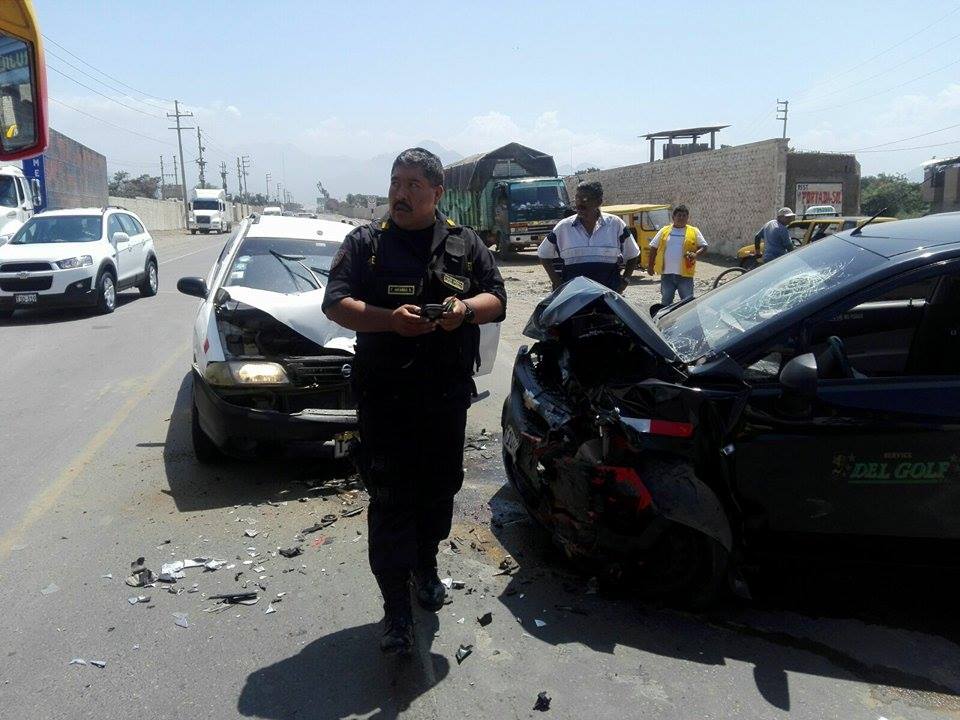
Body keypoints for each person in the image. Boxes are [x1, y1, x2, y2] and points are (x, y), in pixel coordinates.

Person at [322, 148, 507, 655]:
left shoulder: (464, 244)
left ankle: (426, 564)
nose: (400, 194)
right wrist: (389, 320)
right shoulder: (367, 244)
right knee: (389, 497)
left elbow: (498, 299)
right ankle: (395, 609)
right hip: (386, 401)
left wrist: (463, 310)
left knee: (439, 488)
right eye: (395, 182)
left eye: (412, 185)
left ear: (436, 192)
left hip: (444, 401)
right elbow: (335, 303)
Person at [537, 180, 640, 292]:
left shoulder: (615, 225)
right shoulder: (563, 227)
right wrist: (557, 282)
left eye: (585, 199)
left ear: (599, 202)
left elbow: (633, 254)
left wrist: (625, 281)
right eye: (577, 198)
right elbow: (543, 254)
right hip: (573, 298)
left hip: (607, 297)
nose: (579, 204)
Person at [646, 204, 708, 306]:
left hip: (685, 275)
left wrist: (695, 254)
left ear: (688, 218)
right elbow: (653, 248)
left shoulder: (694, 231)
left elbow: (704, 247)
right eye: (679, 215)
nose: (681, 218)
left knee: (688, 303)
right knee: (666, 303)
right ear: (673, 217)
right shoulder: (664, 230)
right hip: (667, 275)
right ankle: (666, 321)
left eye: (684, 216)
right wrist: (650, 266)